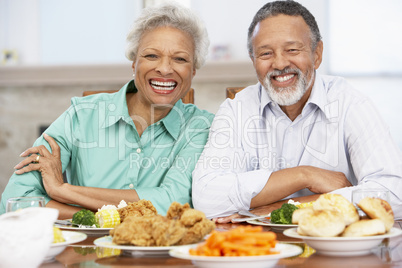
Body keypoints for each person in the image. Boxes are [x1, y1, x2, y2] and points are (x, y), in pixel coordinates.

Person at [192, 0, 402, 222]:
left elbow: (394, 194)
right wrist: (304, 175)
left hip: (335, 249)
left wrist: (284, 208)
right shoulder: (237, 109)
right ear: (253, 61)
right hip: (260, 249)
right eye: (265, 54)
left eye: (292, 50)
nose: (280, 63)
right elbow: (207, 199)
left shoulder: (351, 103)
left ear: (317, 53)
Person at [0, 3, 213, 218]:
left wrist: (63, 191)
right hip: (84, 250)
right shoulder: (81, 116)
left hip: (161, 250)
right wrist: (92, 219)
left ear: (193, 70)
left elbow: (172, 203)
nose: (165, 69)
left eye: (180, 59)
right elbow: (16, 199)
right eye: (151, 56)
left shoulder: (202, 127)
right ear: (134, 63)